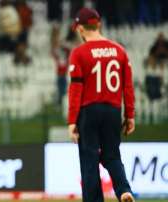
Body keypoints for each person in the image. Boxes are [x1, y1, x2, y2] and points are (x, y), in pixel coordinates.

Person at [67, 8, 135, 202]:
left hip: (89, 111)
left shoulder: (79, 53)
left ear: (80, 28)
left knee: (89, 160)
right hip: (113, 110)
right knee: (112, 156)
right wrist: (130, 115)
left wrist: (72, 120)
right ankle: (124, 190)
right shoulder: (120, 51)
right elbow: (127, 87)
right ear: (99, 24)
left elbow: (76, 90)